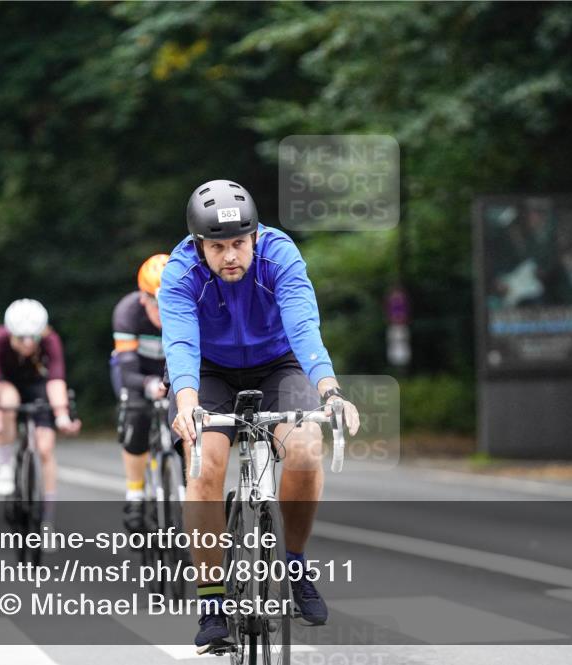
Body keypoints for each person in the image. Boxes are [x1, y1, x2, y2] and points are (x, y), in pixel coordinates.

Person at [158, 179, 360, 650]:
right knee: (205, 462)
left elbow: (303, 324)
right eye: (218, 247)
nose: (230, 256)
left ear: (254, 237)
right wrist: (187, 403)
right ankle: (211, 598)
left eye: (238, 244)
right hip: (207, 370)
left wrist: (329, 389)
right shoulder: (180, 270)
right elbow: (182, 342)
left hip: (278, 363)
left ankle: (293, 563)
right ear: (198, 244)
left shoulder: (279, 254)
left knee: (307, 447)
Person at [0, 299, 81, 525]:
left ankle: (47, 519)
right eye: (21, 338)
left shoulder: (50, 340)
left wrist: (62, 416)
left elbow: (56, 380)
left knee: (45, 449)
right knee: (7, 402)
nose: (28, 344)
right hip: (8, 386)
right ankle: (5, 464)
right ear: (10, 333)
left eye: (33, 338)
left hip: (39, 386)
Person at [110, 254, 169, 534]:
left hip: (171, 375)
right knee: (136, 415)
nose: (162, 310)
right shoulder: (127, 312)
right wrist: (147, 385)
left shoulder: (189, 309)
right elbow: (127, 370)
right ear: (143, 298)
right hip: (136, 373)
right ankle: (135, 493)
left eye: (169, 300)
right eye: (156, 302)